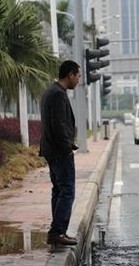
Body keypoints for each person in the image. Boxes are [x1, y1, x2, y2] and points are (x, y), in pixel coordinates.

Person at [39, 60, 81, 246]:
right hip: (59, 151)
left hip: (51, 149)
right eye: (78, 76)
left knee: (58, 190)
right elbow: (59, 125)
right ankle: (57, 232)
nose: (78, 80)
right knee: (67, 191)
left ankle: (56, 231)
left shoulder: (51, 91)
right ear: (70, 74)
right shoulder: (57, 94)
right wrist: (67, 149)